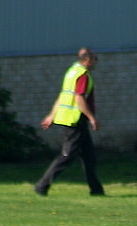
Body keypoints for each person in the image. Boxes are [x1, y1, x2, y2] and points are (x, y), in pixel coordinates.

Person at [34, 48, 105, 196]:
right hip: (74, 121)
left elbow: (63, 95)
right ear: (88, 60)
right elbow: (79, 98)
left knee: (89, 157)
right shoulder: (82, 75)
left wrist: (51, 115)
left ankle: (96, 190)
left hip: (74, 120)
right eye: (95, 59)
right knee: (67, 156)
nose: (96, 62)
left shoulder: (72, 71)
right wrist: (92, 118)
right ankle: (42, 185)